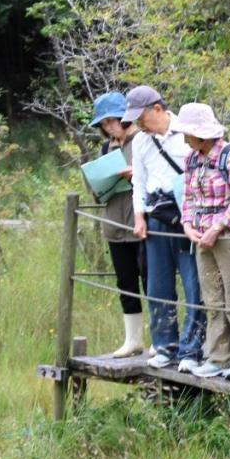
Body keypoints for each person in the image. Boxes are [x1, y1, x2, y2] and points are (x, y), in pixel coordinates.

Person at [124, 85, 205, 371]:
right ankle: (164, 345)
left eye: (141, 117)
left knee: (194, 284)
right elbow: (139, 183)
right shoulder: (140, 141)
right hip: (155, 214)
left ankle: (192, 349)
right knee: (158, 286)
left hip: (188, 214)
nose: (138, 124)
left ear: (157, 109)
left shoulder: (188, 132)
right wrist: (139, 217)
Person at [174, 103, 230, 381]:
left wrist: (217, 227)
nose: (185, 139)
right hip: (201, 236)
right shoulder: (191, 159)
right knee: (213, 298)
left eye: (188, 133)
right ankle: (217, 356)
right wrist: (187, 225)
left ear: (201, 134)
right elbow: (188, 198)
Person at [89, 92, 147, 358]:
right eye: (104, 124)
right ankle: (132, 339)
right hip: (114, 224)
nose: (109, 127)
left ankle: (161, 339)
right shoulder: (106, 149)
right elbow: (97, 194)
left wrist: (136, 173)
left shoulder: (144, 140)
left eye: (113, 121)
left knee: (152, 282)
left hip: (142, 224)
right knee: (126, 284)